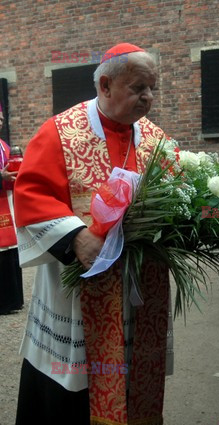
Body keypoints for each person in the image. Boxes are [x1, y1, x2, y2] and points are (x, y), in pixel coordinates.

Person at [14, 43, 173, 425]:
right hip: (78, 285)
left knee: (134, 374)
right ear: (105, 85)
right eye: (138, 88)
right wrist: (75, 237)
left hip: (137, 287)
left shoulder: (155, 139)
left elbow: (177, 192)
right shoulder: (60, 132)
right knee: (73, 385)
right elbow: (30, 193)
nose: (148, 97)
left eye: (152, 88)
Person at [0, 104, 24, 315]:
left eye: (0, 118)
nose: (0, 122)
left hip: (6, 203)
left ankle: (12, 301)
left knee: (9, 252)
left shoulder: (4, 147)